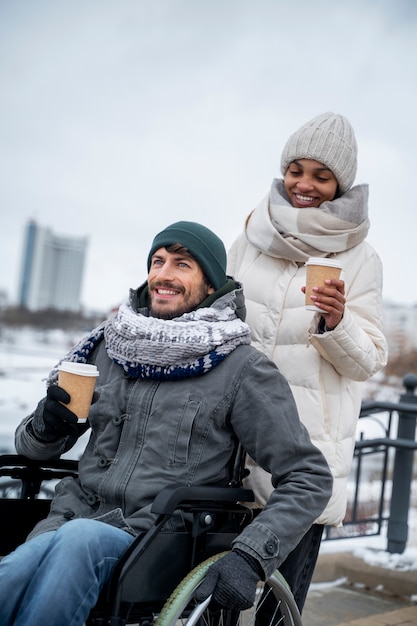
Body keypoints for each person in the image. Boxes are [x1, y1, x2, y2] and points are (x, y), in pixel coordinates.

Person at [0, 221, 332, 626]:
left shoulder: (243, 369)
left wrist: (250, 556)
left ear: (210, 284)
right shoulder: (107, 348)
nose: (164, 274)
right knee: (12, 575)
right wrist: (47, 426)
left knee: (78, 541)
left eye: (182, 264)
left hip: (160, 540)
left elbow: (309, 476)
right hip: (69, 519)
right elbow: (31, 450)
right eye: (157, 261)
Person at [227, 112, 389, 612]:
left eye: (321, 176)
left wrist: (336, 323)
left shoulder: (363, 259)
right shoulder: (248, 239)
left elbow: (370, 360)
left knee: (280, 609)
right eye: (297, 170)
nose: (305, 185)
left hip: (306, 456)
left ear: (340, 184)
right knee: (216, 597)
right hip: (231, 446)